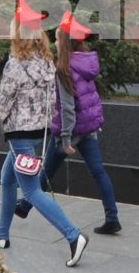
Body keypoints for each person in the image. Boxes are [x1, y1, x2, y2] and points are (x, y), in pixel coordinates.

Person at [0, 0, 87, 263]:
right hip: (40, 132)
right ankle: (1, 233)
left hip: (21, 136)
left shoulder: (16, 64)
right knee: (7, 178)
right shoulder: (46, 60)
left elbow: (2, 106)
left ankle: (73, 235)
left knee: (33, 191)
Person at [45, 13, 122, 235]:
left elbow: (68, 107)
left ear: (65, 42)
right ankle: (112, 217)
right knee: (99, 172)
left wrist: (66, 138)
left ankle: (24, 205)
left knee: (46, 174)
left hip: (68, 131)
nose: (55, 42)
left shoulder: (64, 68)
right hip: (89, 128)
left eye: (58, 38)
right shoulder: (87, 61)